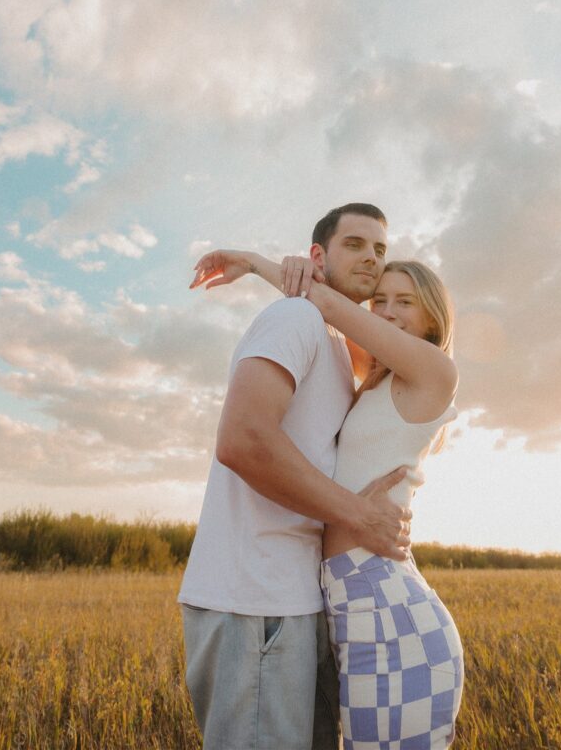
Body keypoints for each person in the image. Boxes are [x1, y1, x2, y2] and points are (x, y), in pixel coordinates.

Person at [191, 245, 464, 750]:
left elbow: (331, 306)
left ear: (432, 318)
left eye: (404, 302)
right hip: (344, 602)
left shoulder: (435, 374)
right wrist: (280, 270)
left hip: (387, 607)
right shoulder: (378, 378)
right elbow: (324, 312)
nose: (385, 312)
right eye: (380, 301)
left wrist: (254, 264)